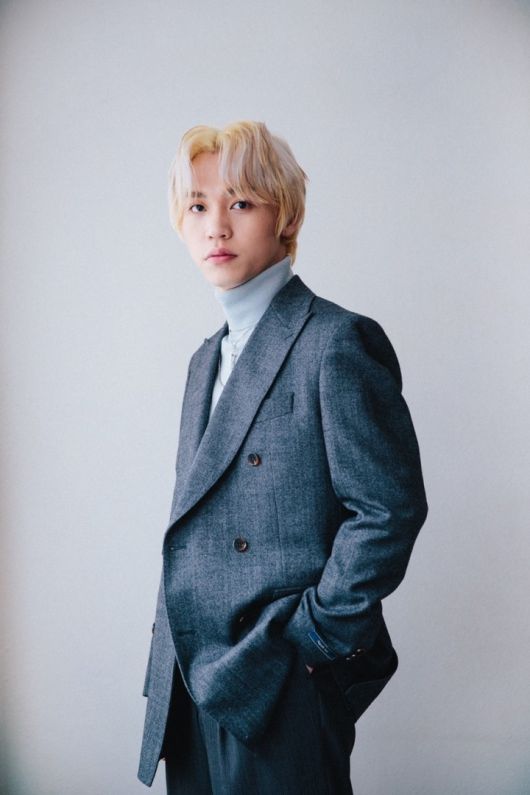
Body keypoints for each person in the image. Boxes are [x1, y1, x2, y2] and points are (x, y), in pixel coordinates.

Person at [138, 120, 428, 794]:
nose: (216, 226)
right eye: (198, 206)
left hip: (277, 675)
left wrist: (311, 639)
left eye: (240, 202)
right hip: (186, 675)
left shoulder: (336, 342)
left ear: (285, 215)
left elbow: (388, 509)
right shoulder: (203, 360)